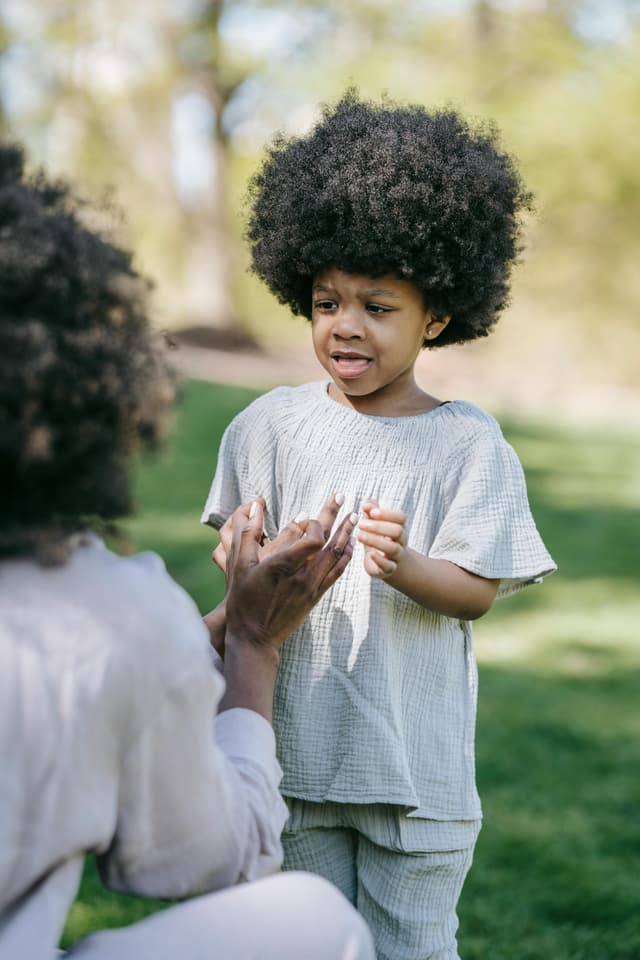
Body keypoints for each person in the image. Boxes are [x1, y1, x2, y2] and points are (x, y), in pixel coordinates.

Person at [201, 91, 557, 960]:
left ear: (437, 315)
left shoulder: (467, 445)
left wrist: (405, 567)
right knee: (297, 941)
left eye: (378, 305)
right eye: (327, 303)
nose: (346, 326)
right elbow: (241, 580)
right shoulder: (268, 426)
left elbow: (476, 593)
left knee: (412, 946)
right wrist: (248, 565)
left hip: (413, 770)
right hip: (293, 754)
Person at [0, 142, 376, 960]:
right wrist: (251, 641)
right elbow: (221, 852)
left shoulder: (123, 630)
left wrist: (202, 629)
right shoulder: (106, 615)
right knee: (316, 923)